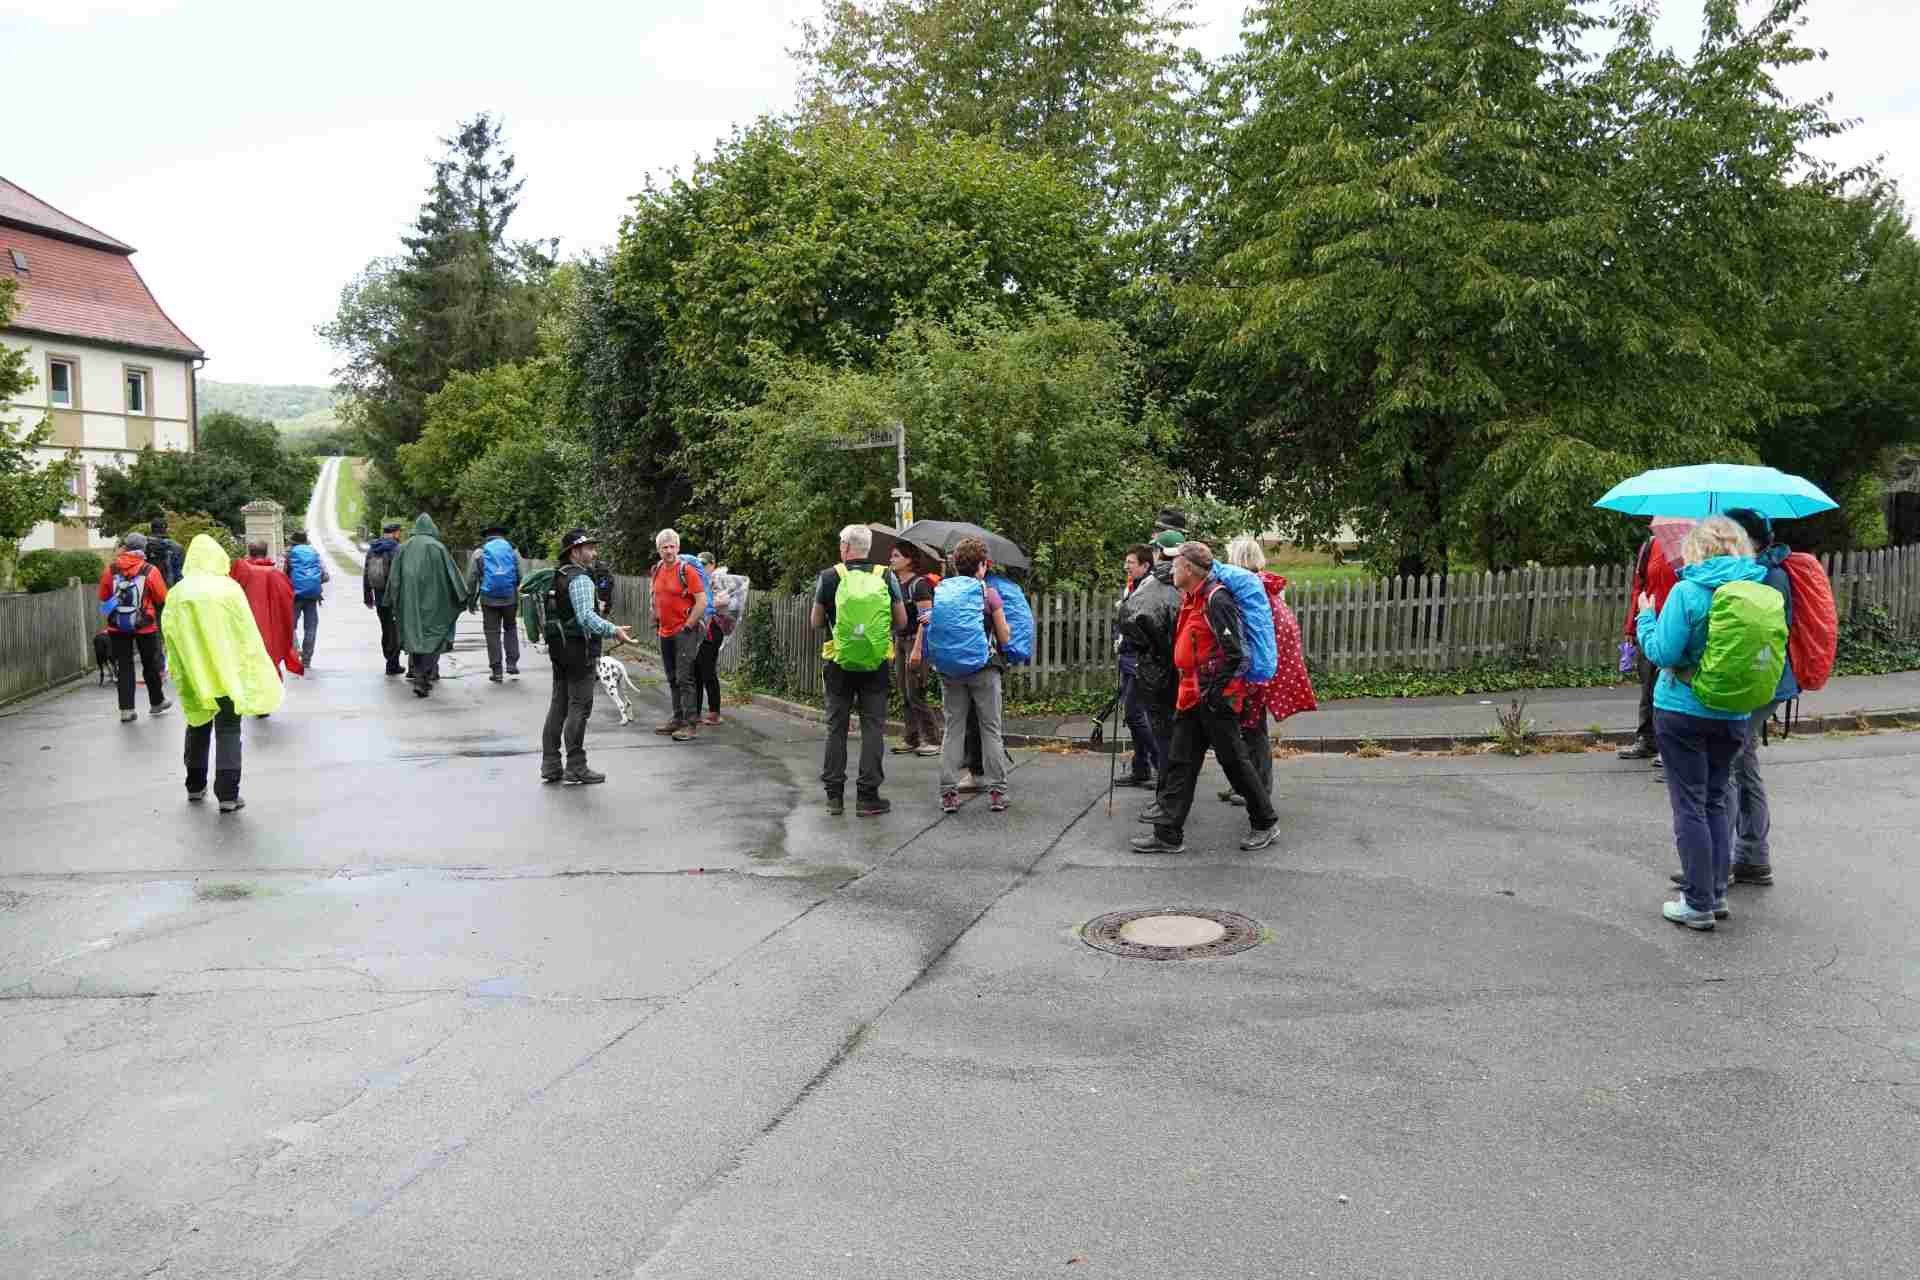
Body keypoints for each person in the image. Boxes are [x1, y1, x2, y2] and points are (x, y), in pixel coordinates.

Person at [1635, 515, 1769, 931]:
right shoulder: (1755, 592)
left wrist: (1645, 618)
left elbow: (1664, 652)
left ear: (1698, 548)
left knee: (1690, 804)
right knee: (1715, 799)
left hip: (1683, 711)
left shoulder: (1688, 592)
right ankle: (1715, 893)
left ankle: (1697, 903)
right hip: (1734, 713)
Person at [1129, 540, 1280, 855]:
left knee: (1235, 762)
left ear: (1188, 569)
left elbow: (1234, 653)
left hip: (1212, 699)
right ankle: (1168, 834)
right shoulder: (1193, 597)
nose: (1170, 569)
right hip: (1193, 697)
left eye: (1175, 564)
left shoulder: (1216, 599)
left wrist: (1213, 691)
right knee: (1180, 762)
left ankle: (1265, 822)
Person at [160, 534, 284, 813]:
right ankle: (228, 794)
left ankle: (194, 785)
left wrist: (172, 666)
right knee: (229, 728)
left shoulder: (178, 592)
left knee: (197, 722)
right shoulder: (230, 590)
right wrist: (255, 666)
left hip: (194, 670)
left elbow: (169, 632)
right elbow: (246, 632)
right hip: (228, 669)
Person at [1722, 508, 1799, 887]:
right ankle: (1752, 857)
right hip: (1764, 680)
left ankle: (1719, 861)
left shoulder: (1770, 576)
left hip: (1762, 682)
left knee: (1727, 761)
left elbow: (1757, 637)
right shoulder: (1761, 572)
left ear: (1747, 539)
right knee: (1742, 761)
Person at [813, 524, 907, 816]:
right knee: (873, 728)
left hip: (838, 663)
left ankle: (834, 797)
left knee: (836, 728)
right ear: (868, 548)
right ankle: (867, 797)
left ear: (844, 547)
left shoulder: (830, 577)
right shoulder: (886, 575)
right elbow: (902, 621)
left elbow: (816, 622)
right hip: (875, 663)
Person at [917, 535, 1009, 815]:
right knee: (990, 729)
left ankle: (948, 793)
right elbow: (1003, 635)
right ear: (982, 565)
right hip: (983, 668)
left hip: (950, 670)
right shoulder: (987, 593)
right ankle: (996, 792)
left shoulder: (942, 590)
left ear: (956, 565)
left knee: (953, 730)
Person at [541, 529, 635, 784]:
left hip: (559, 650)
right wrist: (613, 630)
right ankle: (576, 766)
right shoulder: (580, 579)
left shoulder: (557, 576)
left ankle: (550, 764)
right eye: (589, 548)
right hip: (578, 652)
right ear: (575, 552)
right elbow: (585, 617)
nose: (594, 553)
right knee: (579, 707)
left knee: (558, 705)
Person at [385, 514, 466, 698]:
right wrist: (462, 597)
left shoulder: (404, 548)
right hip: (435, 604)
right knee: (434, 639)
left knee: (414, 637)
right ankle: (423, 677)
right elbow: (453, 576)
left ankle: (420, 675)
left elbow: (395, 579)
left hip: (410, 602)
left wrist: (392, 600)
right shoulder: (438, 548)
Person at [1619, 526, 1682, 761]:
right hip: (1649, 624)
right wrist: (1631, 628)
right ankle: (1646, 739)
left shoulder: (1695, 546)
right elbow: (1639, 588)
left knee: (1670, 687)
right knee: (1648, 687)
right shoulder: (1649, 546)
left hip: (1677, 626)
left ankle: (1670, 747)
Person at [97, 532, 171, 723]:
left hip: (117, 626)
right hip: (145, 625)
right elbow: (162, 597)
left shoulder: (111, 569)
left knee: (125, 666)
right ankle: (156, 703)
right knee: (150, 664)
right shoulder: (149, 570)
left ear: (126, 547)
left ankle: (126, 710)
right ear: (143, 548)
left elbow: (104, 596)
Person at [649, 528, 708, 741]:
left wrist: (689, 625)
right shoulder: (657, 570)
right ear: (658, 550)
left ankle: (690, 724)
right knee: (672, 677)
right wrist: (655, 618)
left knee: (685, 678)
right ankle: (677, 718)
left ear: (678, 548)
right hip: (665, 631)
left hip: (684, 631)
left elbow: (701, 601)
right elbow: (656, 597)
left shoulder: (687, 571)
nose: (669, 551)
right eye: (664, 547)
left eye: (672, 546)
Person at [1113, 544, 1161, 787]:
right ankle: (1140, 768)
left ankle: (1160, 764)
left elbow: (1144, 625)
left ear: (1145, 565)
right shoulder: (1131, 587)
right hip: (1128, 659)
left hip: (1141, 661)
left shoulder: (1149, 588)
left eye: (1131, 563)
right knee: (1134, 716)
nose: (1126, 566)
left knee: (1134, 714)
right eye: (1127, 562)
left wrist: (1128, 640)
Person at [889, 541, 942, 757]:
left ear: (908, 559)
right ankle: (911, 738)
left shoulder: (918, 585)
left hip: (916, 641)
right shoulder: (895, 585)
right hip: (901, 640)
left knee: (916, 692)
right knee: (904, 692)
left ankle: (932, 739)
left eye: (896, 556)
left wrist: (918, 649)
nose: (891, 559)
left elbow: (925, 619)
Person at [230, 539, 302, 687]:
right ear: (266, 552)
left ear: (249, 552)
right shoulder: (276, 574)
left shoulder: (242, 571)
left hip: (245, 624)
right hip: (270, 626)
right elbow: (288, 598)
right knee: (268, 660)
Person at [466, 523, 527, 684]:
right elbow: (522, 575)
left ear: (487, 536)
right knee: (510, 627)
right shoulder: (513, 550)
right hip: (510, 598)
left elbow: (471, 578)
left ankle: (497, 670)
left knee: (492, 632)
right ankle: (512, 663)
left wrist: (471, 600)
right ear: (503, 535)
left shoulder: (480, 552)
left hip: (488, 598)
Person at [283, 531, 329, 671]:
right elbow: (326, 575)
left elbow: (281, 574)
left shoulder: (289, 554)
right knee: (311, 627)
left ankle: (296, 652)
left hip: (294, 596)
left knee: (290, 626)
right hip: (312, 596)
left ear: (293, 542)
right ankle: (307, 660)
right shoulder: (314, 553)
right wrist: (313, 583)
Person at [364, 521, 405, 676]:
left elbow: (366, 573)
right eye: (399, 532)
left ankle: (389, 659)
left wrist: (368, 597)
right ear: (395, 533)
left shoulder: (373, 549)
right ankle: (392, 663)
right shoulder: (397, 549)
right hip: (394, 597)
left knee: (385, 629)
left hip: (379, 596)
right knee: (395, 630)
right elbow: (401, 574)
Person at [690, 550, 726, 725]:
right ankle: (695, 712)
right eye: (699, 565)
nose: (701, 568)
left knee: (707, 670)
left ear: (713, 565)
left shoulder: (719, 583)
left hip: (713, 630)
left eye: (704, 565)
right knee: (695, 670)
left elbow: (729, 603)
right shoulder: (696, 580)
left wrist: (715, 603)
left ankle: (714, 712)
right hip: (697, 629)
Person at [146, 517, 184, 586]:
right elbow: (179, 573)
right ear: (166, 529)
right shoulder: (178, 547)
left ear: (151, 528)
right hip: (168, 588)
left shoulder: (142, 544)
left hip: (147, 588)